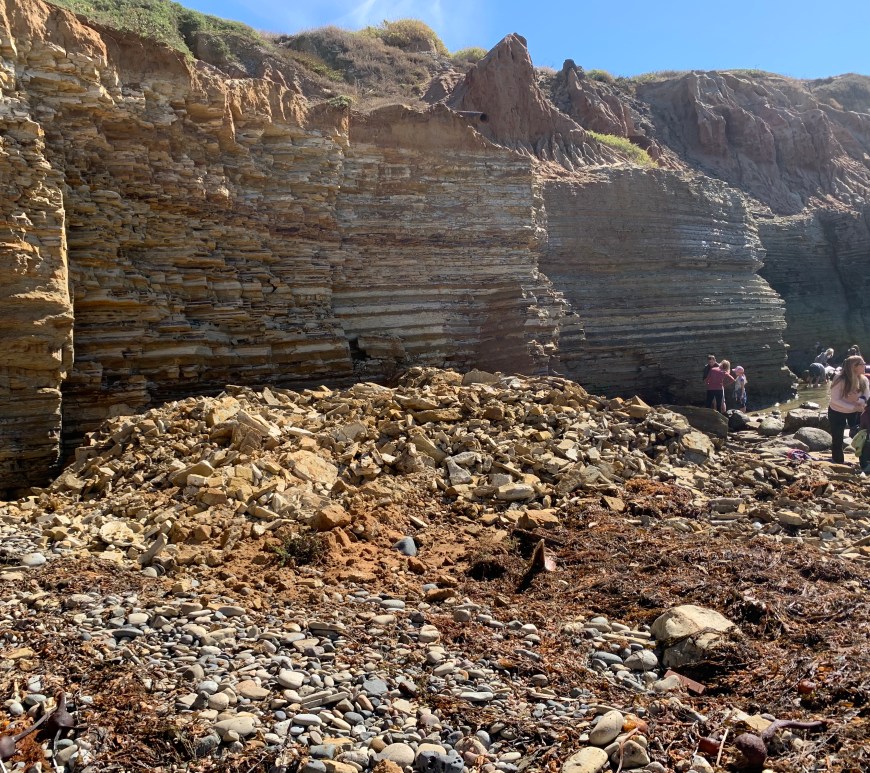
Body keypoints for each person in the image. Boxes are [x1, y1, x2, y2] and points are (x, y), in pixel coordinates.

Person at [828, 354, 870, 465]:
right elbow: (835, 399)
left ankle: (864, 461)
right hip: (836, 411)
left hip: (855, 412)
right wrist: (853, 406)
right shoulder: (839, 379)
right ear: (854, 366)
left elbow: (866, 395)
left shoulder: (864, 379)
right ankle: (838, 462)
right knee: (837, 438)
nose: (865, 365)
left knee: (862, 435)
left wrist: (860, 401)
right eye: (862, 364)